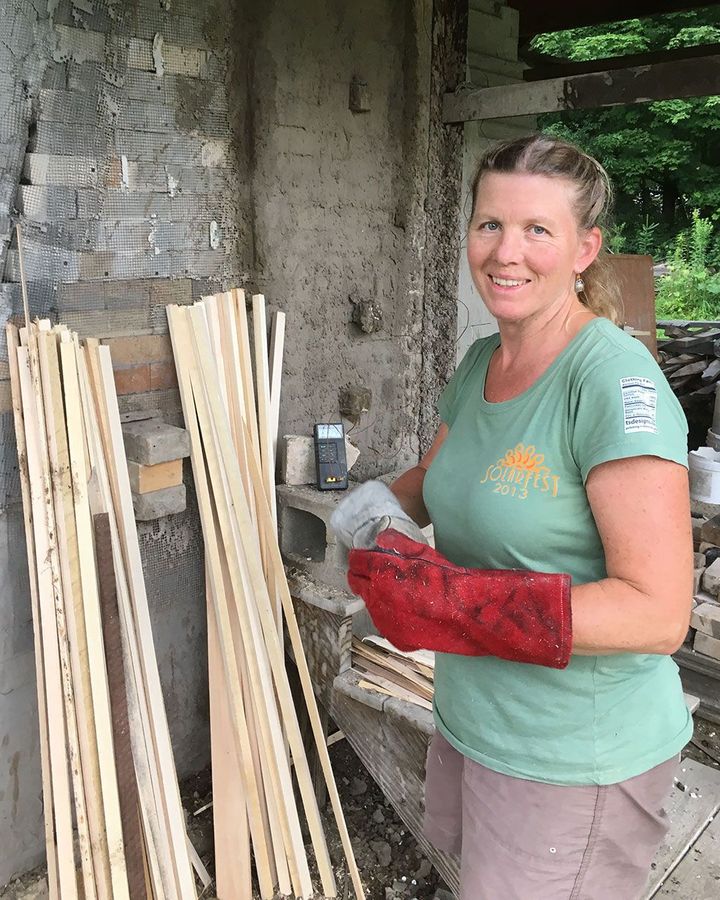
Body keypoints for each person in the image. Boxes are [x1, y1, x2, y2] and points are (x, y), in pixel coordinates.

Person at [331, 134, 694, 899]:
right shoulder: (478, 363)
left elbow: (659, 613)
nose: (507, 252)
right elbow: (435, 480)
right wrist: (371, 513)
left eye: (538, 230)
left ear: (585, 249)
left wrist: (456, 601)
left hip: (573, 754)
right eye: (490, 224)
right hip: (475, 719)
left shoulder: (610, 381)